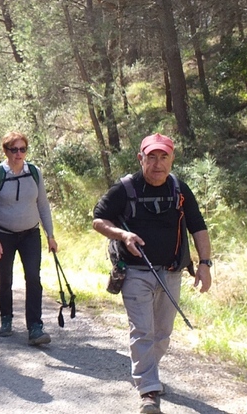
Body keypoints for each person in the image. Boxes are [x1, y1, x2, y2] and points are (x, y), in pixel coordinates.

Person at [92, 133, 212, 414]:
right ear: (141, 158)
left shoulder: (179, 189)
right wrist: (123, 235)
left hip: (171, 272)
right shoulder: (125, 189)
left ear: (172, 159)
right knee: (143, 331)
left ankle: (148, 373)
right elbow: (98, 219)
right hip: (135, 273)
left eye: (164, 157)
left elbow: (198, 227)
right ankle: (148, 391)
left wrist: (205, 263)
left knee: (163, 333)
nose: (158, 164)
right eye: (152, 157)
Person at [0, 131, 56, 346]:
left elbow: (43, 204)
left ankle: (35, 327)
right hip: (4, 233)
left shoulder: (34, 172)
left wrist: (50, 235)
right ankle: (6, 318)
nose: (18, 153)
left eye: (22, 149)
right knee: (5, 278)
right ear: (5, 151)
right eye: (14, 149)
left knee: (33, 277)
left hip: (30, 233)